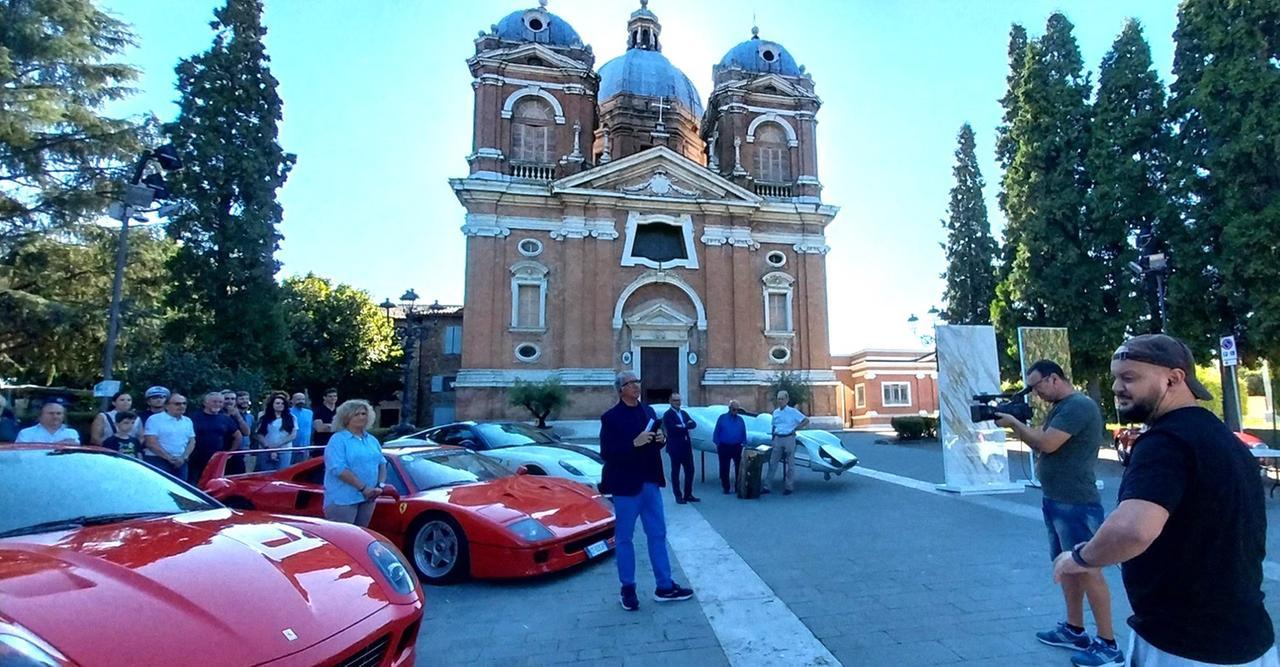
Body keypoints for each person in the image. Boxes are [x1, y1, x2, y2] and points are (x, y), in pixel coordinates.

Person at [1053, 334, 1277, 667]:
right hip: (1248, 639)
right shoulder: (1218, 436)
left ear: (1174, 378)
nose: (1117, 387)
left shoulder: (1166, 442)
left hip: (1186, 645)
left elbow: (1133, 530)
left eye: (1129, 377)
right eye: (1115, 377)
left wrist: (1078, 559)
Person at [995, 360, 1120, 666]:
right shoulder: (1062, 406)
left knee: (1088, 570)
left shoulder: (1078, 406)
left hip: (1076, 502)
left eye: (1037, 386)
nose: (1035, 393)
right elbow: (1046, 438)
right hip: (1057, 500)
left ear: (1053, 379)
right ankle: (1075, 629)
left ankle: (1108, 644)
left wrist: (1014, 423)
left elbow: (1047, 444)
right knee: (1067, 568)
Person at [599, 370, 694, 611]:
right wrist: (633, 443)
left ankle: (664, 586)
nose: (636, 386)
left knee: (658, 534)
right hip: (626, 486)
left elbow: (654, 442)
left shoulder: (649, 412)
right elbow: (607, 453)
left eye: (638, 381)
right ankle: (628, 589)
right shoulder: (610, 418)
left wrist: (660, 438)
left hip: (650, 481)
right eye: (631, 383)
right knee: (624, 539)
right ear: (620, 389)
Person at [323, 399, 385, 527]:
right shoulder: (338, 440)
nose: (361, 417)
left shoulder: (372, 440)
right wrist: (363, 488)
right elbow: (339, 469)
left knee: (362, 536)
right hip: (344, 499)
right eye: (356, 414)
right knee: (344, 539)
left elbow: (382, 463)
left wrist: (380, 486)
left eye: (364, 414)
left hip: (369, 498)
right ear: (346, 417)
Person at [189, 392, 249, 484]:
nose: (217, 404)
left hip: (217, 460)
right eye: (214, 401)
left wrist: (230, 453)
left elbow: (238, 435)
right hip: (196, 460)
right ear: (205, 403)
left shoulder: (225, 419)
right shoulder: (193, 418)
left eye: (220, 402)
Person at [143, 393, 195, 479]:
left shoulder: (188, 421)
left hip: (181, 462)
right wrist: (169, 458)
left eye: (184, 403)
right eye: (177, 404)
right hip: (158, 460)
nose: (181, 406)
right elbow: (151, 443)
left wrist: (183, 458)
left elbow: (192, 441)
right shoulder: (154, 419)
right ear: (166, 406)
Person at [767, 390, 809, 496]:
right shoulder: (775, 412)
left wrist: (796, 428)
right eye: (778, 399)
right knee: (772, 463)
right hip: (778, 438)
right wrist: (773, 438)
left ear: (787, 400)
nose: (780, 401)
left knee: (790, 464)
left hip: (789, 438)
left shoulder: (793, 411)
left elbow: (805, 420)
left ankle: (788, 486)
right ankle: (767, 486)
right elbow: (774, 425)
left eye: (782, 399)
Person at [661, 393, 699, 504]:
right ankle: (678, 496)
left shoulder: (684, 413)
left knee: (690, 471)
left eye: (679, 400)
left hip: (686, 447)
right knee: (676, 472)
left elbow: (694, 424)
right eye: (675, 400)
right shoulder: (667, 415)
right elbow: (672, 429)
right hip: (675, 447)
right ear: (670, 401)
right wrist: (685, 425)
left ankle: (688, 494)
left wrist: (682, 426)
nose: (678, 402)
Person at [712, 401, 749, 495]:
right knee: (724, 467)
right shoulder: (722, 418)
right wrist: (717, 443)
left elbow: (743, 432)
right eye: (734, 409)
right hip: (724, 446)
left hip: (737, 447)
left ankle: (738, 486)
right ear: (729, 408)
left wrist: (744, 443)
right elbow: (717, 431)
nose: (736, 411)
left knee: (739, 467)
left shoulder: (740, 419)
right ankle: (726, 487)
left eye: (738, 410)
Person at [254, 392, 297, 471]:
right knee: (266, 475)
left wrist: (276, 446)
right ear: (272, 404)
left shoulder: (292, 418)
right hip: (266, 450)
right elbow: (259, 434)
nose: (280, 405)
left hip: (284, 451)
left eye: (282, 403)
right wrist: (268, 447)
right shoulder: (264, 418)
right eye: (277, 403)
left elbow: (293, 435)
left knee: (283, 474)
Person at [15, 400, 80, 444]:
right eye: (51, 413)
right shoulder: (26, 433)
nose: (55, 416)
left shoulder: (71, 433)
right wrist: (58, 446)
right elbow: (21, 455)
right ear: (41, 415)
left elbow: (75, 456)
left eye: (58, 413)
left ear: (63, 416)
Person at [290, 392, 314, 461]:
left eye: (303, 399)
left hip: (306, 446)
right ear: (292, 401)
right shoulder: (287, 412)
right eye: (298, 399)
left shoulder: (309, 413)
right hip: (291, 446)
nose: (301, 401)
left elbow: (311, 429)